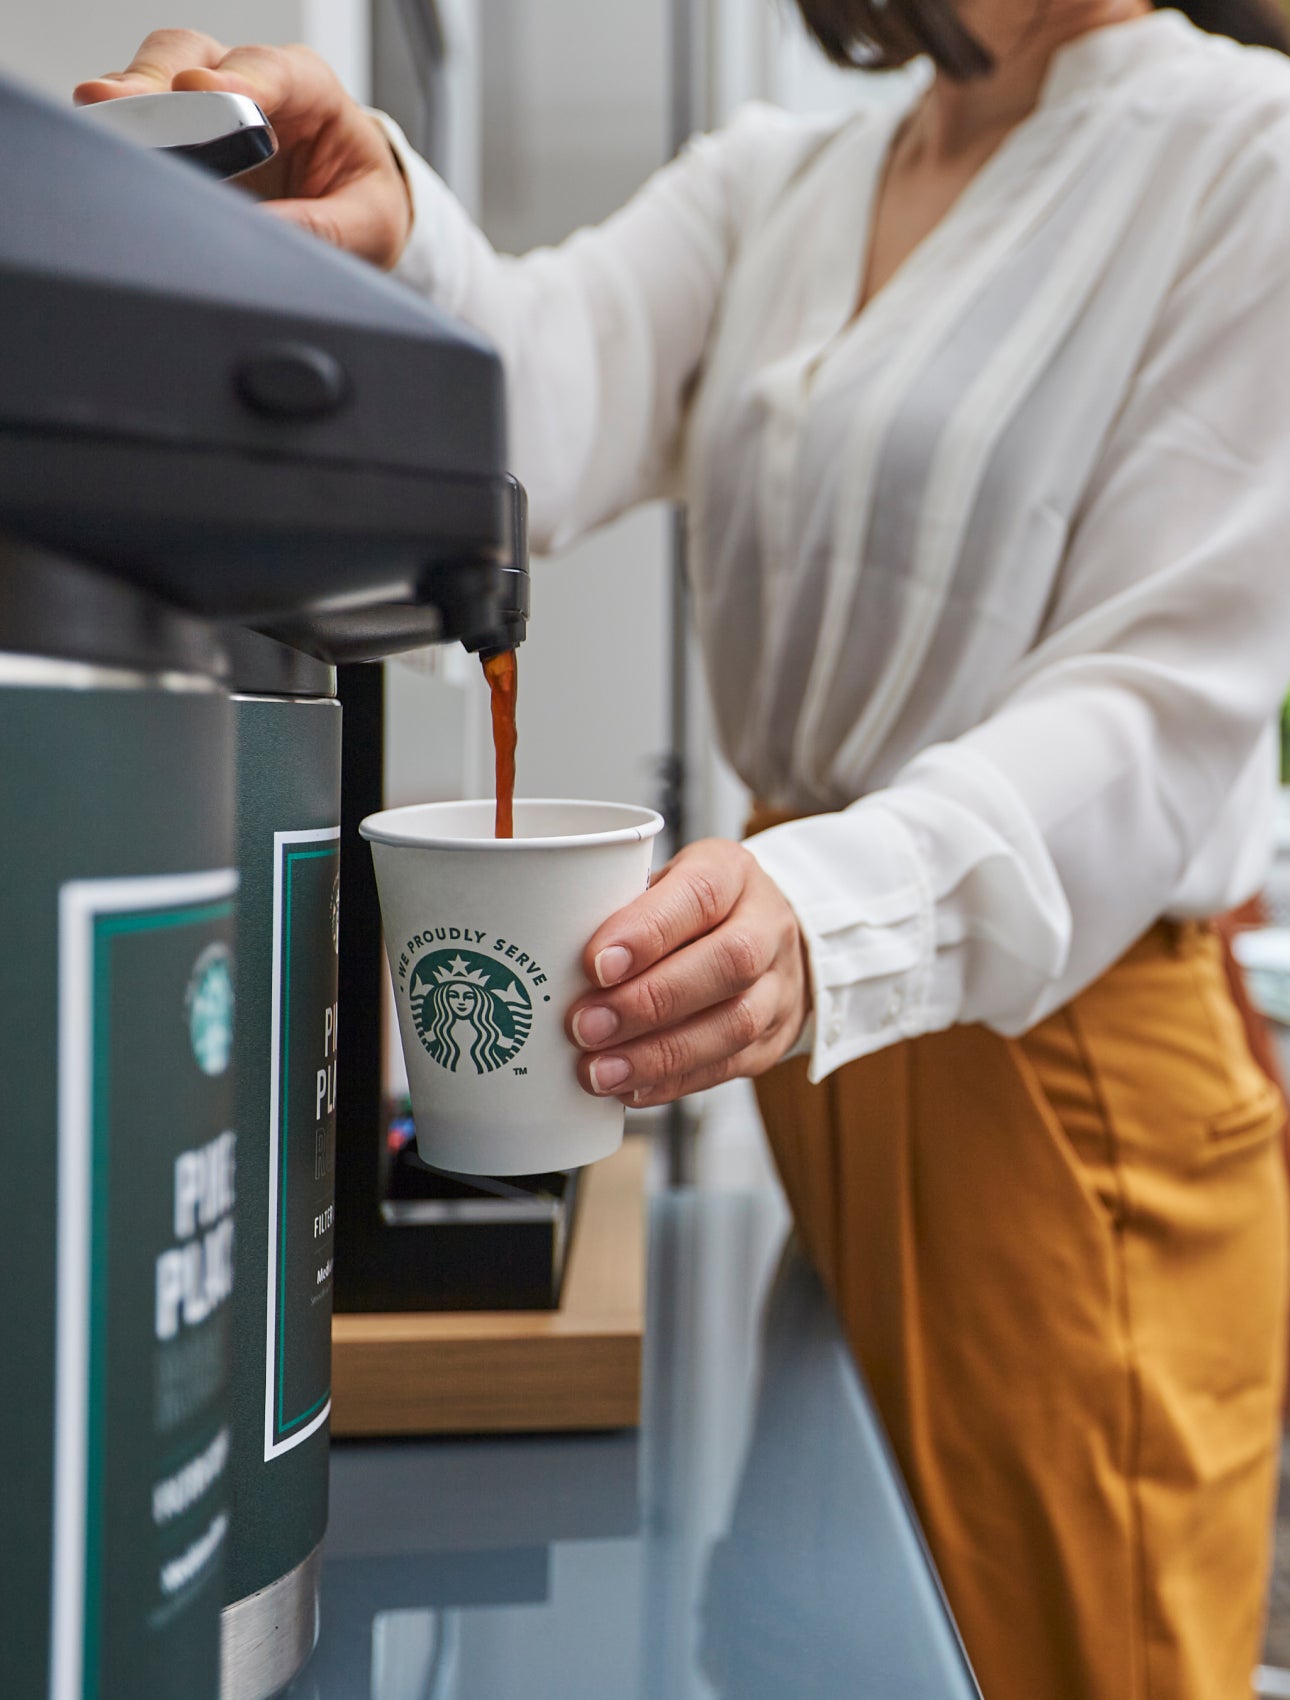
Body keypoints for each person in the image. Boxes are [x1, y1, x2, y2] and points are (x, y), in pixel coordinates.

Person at [78, 2, 1290, 1691]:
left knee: (1073, 1644)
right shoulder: (787, 182)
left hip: (1061, 1075)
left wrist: (821, 912)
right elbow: (545, 384)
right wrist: (391, 215)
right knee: (840, 1631)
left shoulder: (1246, 153)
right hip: (833, 1067)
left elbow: (1161, 706)